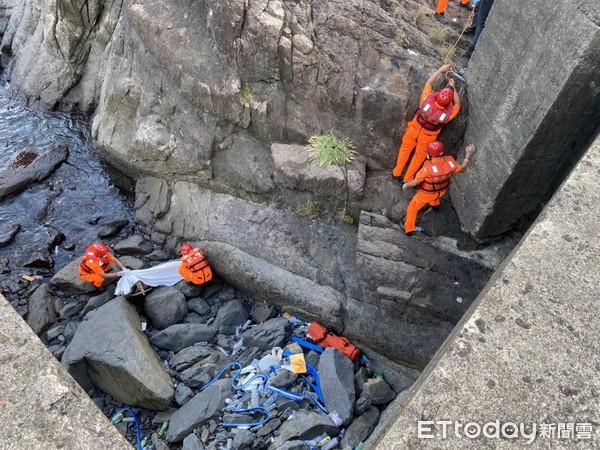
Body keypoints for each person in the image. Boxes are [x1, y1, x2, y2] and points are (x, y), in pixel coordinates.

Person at [392, 64, 461, 184]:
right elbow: (458, 104)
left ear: (437, 96)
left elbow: (428, 83)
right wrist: (453, 87)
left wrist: (440, 70)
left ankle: (396, 172)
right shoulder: (448, 115)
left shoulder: (426, 99)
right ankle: (407, 179)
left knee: (404, 150)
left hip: (414, 129)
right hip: (428, 137)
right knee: (418, 158)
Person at [402, 141, 476, 235]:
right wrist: (468, 155)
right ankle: (435, 206)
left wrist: (407, 184)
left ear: (429, 154)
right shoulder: (450, 162)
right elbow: (462, 169)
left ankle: (409, 229)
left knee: (412, 209)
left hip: (426, 195)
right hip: (441, 191)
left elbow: (416, 182)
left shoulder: (426, 169)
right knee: (435, 196)